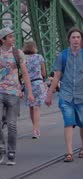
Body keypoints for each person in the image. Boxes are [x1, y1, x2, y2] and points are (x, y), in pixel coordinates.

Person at [45, 28, 83, 162]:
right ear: (69, 39)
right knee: (68, 121)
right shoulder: (62, 55)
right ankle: (69, 152)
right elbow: (56, 77)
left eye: (78, 37)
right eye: (73, 37)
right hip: (66, 94)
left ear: (81, 39)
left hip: (82, 94)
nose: (75, 40)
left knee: (82, 123)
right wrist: (50, 94)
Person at [0, 27, 35, 165]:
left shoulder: (17, 53)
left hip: (14, 93)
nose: (13, 39)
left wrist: (29, 92)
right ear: (3, 39)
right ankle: (1, 148)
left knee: (12, 124)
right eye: (10, 37)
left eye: (13, 36)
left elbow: (25, 73)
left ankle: (11, 151)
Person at [22, 41, 47, 139]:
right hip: (38, 83)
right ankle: (36, 130)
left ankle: (35, 128)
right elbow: (44, 73)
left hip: (28, 85)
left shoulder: (23, 58)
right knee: (37, 107)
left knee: (31, 108)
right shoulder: (39, 57)